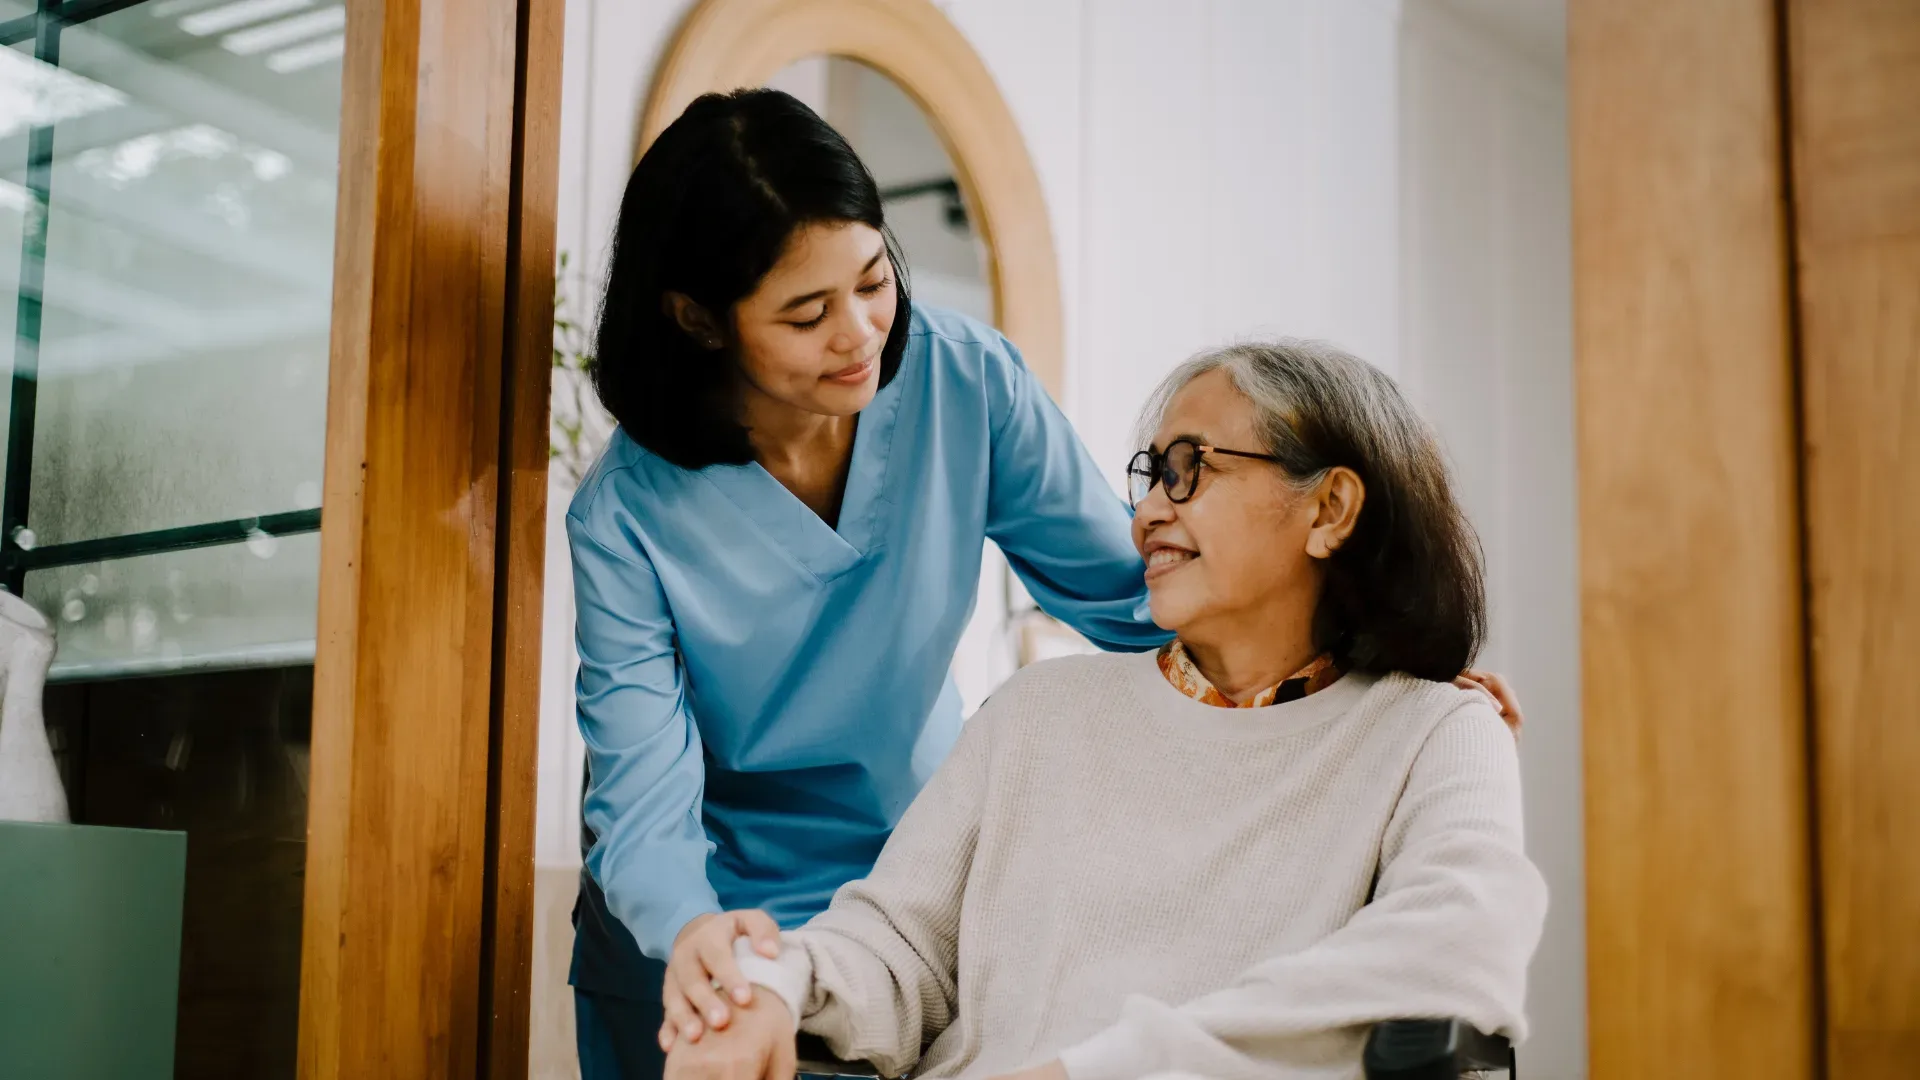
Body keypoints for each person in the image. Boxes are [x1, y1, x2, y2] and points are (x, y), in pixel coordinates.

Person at [568, 87, 1526, 1079]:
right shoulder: (630, 516)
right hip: (716, 929)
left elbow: (1133, 584)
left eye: (873, 281)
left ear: (1329, 507)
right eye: (808, 313)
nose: (859, 333)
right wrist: (720, 949)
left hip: (894, 875)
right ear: (699, 321)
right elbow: (646, 797)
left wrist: (1378, 664)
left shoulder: (961, 382)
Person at [658, 341, 1548, 1080]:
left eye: (1188, 469)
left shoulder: (1434, 733)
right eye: (1150, 476)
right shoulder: (1037, 713)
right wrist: (774, 981)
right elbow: (898, 950)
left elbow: (1457, 947)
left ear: (1330, 508)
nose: (1147, 512)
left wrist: (1093, 1070)